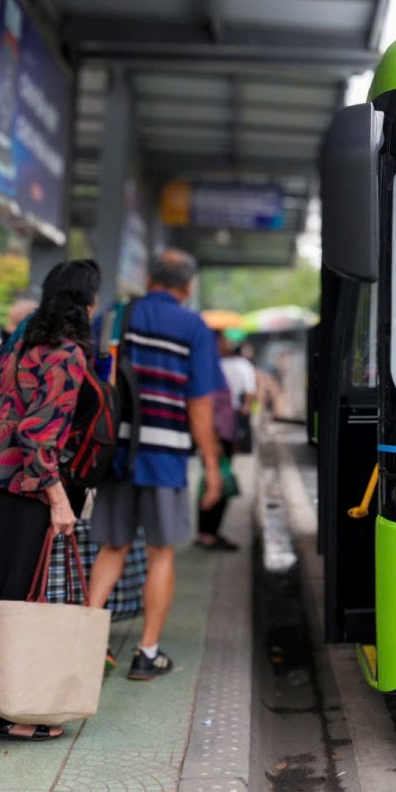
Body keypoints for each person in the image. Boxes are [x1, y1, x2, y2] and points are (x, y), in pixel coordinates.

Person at [0, 260, 97, 741]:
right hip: (18, 486)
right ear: (87, 304)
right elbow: (37, 436)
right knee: (13, 598)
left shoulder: (24, 345)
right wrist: (59, 499)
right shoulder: (67, 354)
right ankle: (9, 712)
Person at [86, 249, 225, 678]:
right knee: (161, 553)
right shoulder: (194, 327)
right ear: (187, 287)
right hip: (165, 458)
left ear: (149, 279)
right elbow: (200, 405)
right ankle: (147, 654)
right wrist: (212, 467)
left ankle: (89, 647)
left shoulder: (116, 316)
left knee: (112, 547)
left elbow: (90, 379)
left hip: (117, 454)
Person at [195, 333, 257, 550]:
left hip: (217, 433)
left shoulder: (211, 366)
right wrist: (213, 439)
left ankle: (207, 532)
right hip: (216, 435)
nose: (227, 344)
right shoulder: (211, 368)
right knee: (216, 482)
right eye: (222, 340)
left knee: (213, 481)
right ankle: (208, 534)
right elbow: (206, 406)